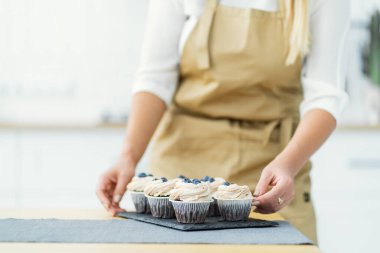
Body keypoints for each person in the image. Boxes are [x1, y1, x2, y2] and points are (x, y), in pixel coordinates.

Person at [96, 0, 349, 243]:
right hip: (181, 180)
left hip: (273, 174)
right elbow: (155, 78)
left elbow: (325, 97)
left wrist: (287, 165)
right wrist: (128, 156)